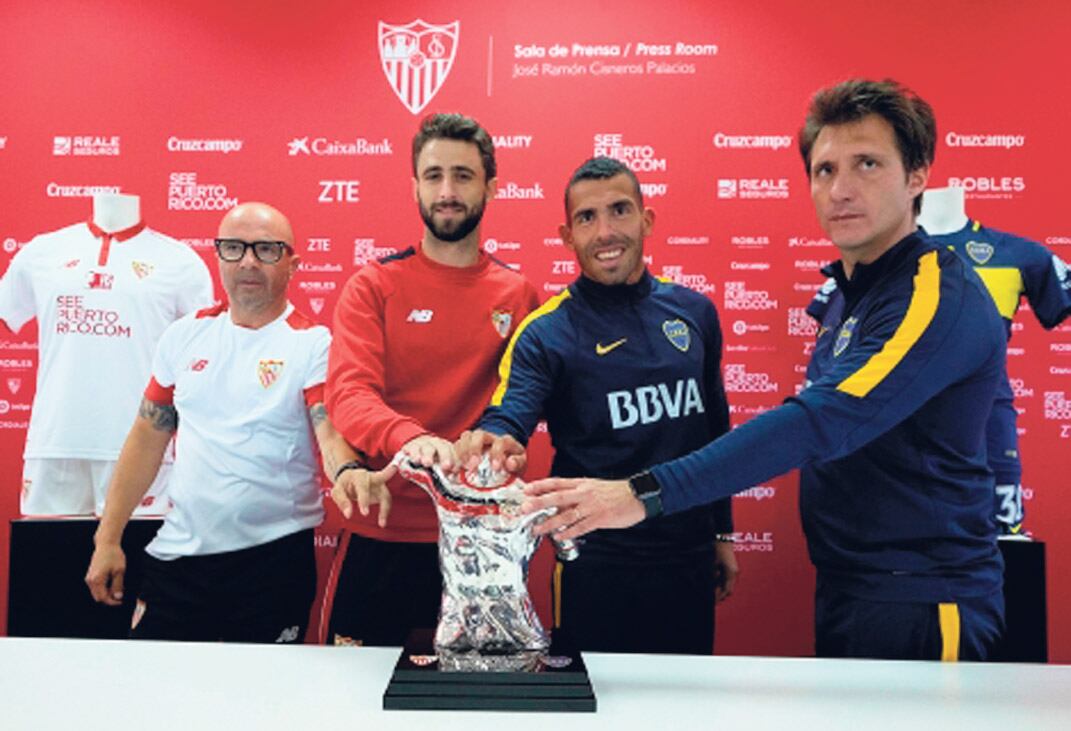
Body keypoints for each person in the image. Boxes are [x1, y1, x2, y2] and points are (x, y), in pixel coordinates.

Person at [522, 79, 1008, 662]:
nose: (841, 189)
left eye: (868, 164)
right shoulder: (853, 295)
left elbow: (822, 422)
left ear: (917, 176)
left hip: (925, 600)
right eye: (825, 170)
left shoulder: (933, 293)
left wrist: (641, 494)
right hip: (853, 587)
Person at [455, 157, 736, 655]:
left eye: (620, 210)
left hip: (687, 557)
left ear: (646, 220)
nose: (605, 231)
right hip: (595, 563)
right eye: (587, 218)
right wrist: (496, 439)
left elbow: (715, 431)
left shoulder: (695, 314)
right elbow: (510, 412)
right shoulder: (546, 332)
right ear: (567, 235)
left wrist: (723, 533)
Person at [85, 202, 392, 643]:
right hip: (176, 560)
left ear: (293, 264)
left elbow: (327, 428)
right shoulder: (184, 335)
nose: (248, 261)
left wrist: (347, 471)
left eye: (266, 249)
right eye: (234, 248)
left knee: (259, 706)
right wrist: (108, 539)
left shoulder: (312, 342)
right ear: (218, 256)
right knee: (155, 702)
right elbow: (148, 436)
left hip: (270, 567)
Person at [323, 113, 539, 647]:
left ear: (491, 186)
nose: (447, 191)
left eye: (463, 176)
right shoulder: (373, 286)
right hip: (384, 530)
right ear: (415, 185)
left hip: (483, 543)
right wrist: (412, 441)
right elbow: (348, 394)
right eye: (434, 175)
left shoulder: (520, 296)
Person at [0, 193, 213, 517]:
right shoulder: (41, 252)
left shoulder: (180, 262)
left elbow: (201, 355)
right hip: (55, 441)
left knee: (138, 560)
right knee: (49, 559)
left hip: (141, 445)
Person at [915, 186, 1071, 535]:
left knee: (1002, 550)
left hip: (988, 425)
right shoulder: (878, 258)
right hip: (901, 422)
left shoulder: (1013, 253)